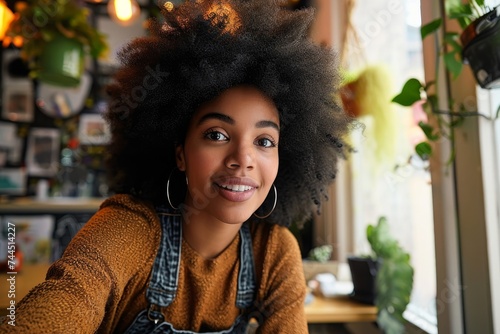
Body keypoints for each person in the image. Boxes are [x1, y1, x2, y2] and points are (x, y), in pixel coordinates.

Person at [0, 0, 351, 332]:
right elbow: (66, 299)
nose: (243, 159)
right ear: (180, 153)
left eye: (264, 142)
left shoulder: (273, 251)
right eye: (216, 134)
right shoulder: (128, 230)